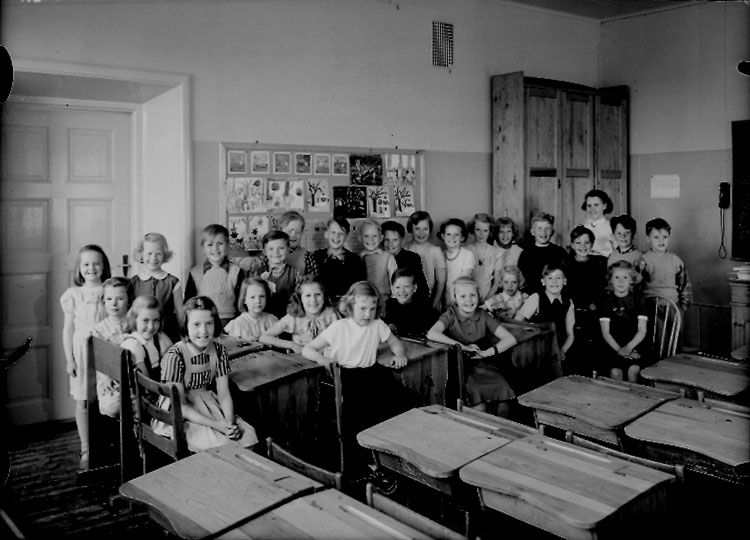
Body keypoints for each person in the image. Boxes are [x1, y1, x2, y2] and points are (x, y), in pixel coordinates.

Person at [302, 281, 419, 470]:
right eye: (362, 309)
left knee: (406, 400)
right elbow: (308, 349)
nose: (367, 314)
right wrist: (322, 360)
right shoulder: (339, 327)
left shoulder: (377, 324)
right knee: (359, 414)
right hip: (345, 375)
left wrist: (399, 354)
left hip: (371, 372)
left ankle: (398, 452)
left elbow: (394, 342)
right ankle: (369, 462)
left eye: (372, 309)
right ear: (350, 306)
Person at [154, 296, 257, 452]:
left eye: (209, 323)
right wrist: (217, 425)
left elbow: (224, 394)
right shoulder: (175, 355)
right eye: (196, 324)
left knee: (248, 436)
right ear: (186, 325)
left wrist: (229, 424)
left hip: (207, 402)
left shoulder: (219, 351)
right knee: (221, 444)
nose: (203, 331)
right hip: (180, 413)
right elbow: (180, 406)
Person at [427, 277, 518, 417]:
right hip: (460, 369)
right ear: (455, 298)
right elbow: (432, 333)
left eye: (472, 295)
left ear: (478, 296)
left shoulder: (483, 315)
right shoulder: (450, 314)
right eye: (463, 296)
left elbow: (510, 339)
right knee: (480, 407)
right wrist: (463, 347)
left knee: (504, 403)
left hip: (482, 366)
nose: (468, 300)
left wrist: (488, 352)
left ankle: (499, 430)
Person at [60, 244, 110, 471]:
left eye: (96, 263)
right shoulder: (74, 295)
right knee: (82, 400)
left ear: (104, 266)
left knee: (105, 398)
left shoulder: (108, 290)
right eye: (86, 264)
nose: (91, 268)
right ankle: (86, 448)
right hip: (81, 354)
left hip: (104, 351)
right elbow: (67, 330)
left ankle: (105, 444)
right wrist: (69, 359)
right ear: (79, 268)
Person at [260, 275, 339, 353]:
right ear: (299, 298)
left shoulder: (331, 315)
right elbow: (264, 337)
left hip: (326, 358)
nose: (313, 300)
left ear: (324, 296)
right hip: (301, 359)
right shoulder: (293, 318)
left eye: (318, 294)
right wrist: (292, 345)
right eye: (308, 295)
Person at [515, 263, 575, 366]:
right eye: (550, 278)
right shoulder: (536, 298)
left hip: (557, 347)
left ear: (564, 281)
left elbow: (570, 334)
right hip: (535, 346)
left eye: (558, 278)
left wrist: (562, 351)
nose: (554, 281)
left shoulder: (568, 302)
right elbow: (517, 322)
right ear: (543, 281)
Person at [184, 224, 244, 326]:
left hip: (230, 322)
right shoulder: (195, 273)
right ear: (203, 248)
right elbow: (189, 303)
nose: (215, 248)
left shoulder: (236, 271)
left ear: (228, 246)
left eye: (220, 243)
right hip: (204, 322)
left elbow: (241, 301)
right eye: (210, 244)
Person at [599, 261, 649, 382]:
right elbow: (606, 333)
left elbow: (642, 330)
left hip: (634, 344)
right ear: (610, 280)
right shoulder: (606, 301)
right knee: (616, 372)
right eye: (616, 277)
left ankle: (634, 394)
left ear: (631, 280)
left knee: (633, 370)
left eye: (625, 277)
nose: (621, 281)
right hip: (613, 346)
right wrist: (621, 351)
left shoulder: (638, 300)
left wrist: (629, 348)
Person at [565, 226, 608, 365]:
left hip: (594, 311)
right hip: (573, 311)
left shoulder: (600, 262)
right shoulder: (566, 264)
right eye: (578, 243)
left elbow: (603, 289)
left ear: (592, 244)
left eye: (587, 242)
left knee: (595, 348)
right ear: (572, 245)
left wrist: (595, 304)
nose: (582, 246)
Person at [130, 232, 183, 343]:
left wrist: (183, 338)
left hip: (168, 334)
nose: (153, 258)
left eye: (158, 253)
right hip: (141, 336)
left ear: (164, 255)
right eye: (149, 253)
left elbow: (180, 314)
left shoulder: (173, 282)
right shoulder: (133, 283)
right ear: (141, 254)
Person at [92, 277, 133, 418]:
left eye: (120, 299)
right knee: (115, 407)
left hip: (134, 377)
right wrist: (105, 377)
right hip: (110, 378)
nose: (114, 304)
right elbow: (99, 358)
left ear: (129, 300)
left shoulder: (134, 324)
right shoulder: (100, 329)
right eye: (109, 299)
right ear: (103, 301)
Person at [243, 230, 301, 318]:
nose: (276, 252)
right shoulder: (257, 273)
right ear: (264, 251)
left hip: (288, 318)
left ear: (289, 249)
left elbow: (300, 299)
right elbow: (249, 298)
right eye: (271, 249)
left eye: (281, 248)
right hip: (263, 319)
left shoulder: (296, 273)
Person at [312, 216, 366, 306]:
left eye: (341, 233)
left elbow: (360, 289)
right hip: (321, 306)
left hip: (347, 306)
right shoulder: (316, 257)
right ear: (326, 234)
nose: (336, 236)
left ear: (346, 236)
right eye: (333, 232)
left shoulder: (355, 260)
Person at [641, 218, 692, 312]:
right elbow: (635, 286)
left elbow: (685, 285)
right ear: (648, 238)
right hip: (649, 307)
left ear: (669, 237)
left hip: (672, 306)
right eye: (656, 237)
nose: (661, 241)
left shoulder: (676, 260)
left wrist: (683, 307)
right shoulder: (643, 261)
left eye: (665, 237)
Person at [121, 295, 174, 382]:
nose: (151, 327)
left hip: (160, 381)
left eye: (156, 320)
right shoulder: (133, 344)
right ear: (134, 320)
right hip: (144, 387)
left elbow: (172, 361)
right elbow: (145, 380)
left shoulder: (159, 337)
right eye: (145, 320)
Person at [405, 211, 446, 311]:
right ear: (411, 229)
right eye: (417, 229)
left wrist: (435, 302)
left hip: (430, 299)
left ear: (430, 229)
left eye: (425, 229)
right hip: (407, 298)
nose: (421, 233)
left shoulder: (436, 251)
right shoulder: (404, 249)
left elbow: (441, 281)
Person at [517, 212, 567, 295]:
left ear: (552, 232)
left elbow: (565, 277)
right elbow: (522, 279)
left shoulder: (560, 252)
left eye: (547, 228)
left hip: (555, 294)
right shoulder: (526, 254)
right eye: (539, 228)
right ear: (532, 231)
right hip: (532, 295)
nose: (543, 232)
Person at [381, 220, 429, 304]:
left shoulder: (412, 258)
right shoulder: (378, 258)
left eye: (395, 240)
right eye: (386, 240)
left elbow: (422, 288)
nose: (390, 244)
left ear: (402, 240)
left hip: (410, 304)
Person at [383, 268, 439, 338]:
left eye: (406, 287)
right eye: (397, 287)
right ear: (392, 288)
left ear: (414, 288)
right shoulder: (389, 305)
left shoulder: (422, 308)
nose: (402, 291)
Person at [358, 219, 397, 312]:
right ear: (360, 238)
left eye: (374, 236)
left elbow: (395, 280)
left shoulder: (388, 257)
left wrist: (394, 300)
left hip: (384, 300)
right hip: (363, 301)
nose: (371, 239)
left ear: (381, 237)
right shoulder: (358, 258)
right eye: (366, 236)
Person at [224, 277, 279, 341]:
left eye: (262, 296)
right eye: (252, 297)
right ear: (244, 299)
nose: (258, 301)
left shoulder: (272, 320)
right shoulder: (239, 324)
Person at [439, 218, 476, 307]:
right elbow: (440, 281)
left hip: (462, 298)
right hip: (445, 298)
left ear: (462, 237)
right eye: (448, 234)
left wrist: (453, 297)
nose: (452, 237)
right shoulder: (441, 255)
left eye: (456, 234)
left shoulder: (468, 254)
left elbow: (464, 279)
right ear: (443, 236)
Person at [467, 213, 500, 301]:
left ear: (490, 231)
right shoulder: (466, 250)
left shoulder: (495, 252)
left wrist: (486, 300)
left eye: (485, 230)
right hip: (467, 296)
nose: (481, 234)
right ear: (473, 229)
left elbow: (496, 282)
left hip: (487, 296)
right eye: (478, 229)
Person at [607, 214, 646, 286]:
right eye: (619, 233)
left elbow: (641, 281)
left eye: (627, 232)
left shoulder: (639, 257)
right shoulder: (611, 256)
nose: (623, 236)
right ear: (613, 235)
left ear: (634, 234)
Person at [278, 210, 318, 276]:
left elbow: (314, 279)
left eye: (298, 231)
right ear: (280, 231)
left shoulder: (307, 256)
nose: (293, 235)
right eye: (290, 231)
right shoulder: (271, 253)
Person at [581, 188, 615, 257]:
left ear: (604, 206)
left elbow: (618, 251)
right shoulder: (581, 227)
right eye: (589, 205)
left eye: (596, 205)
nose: (592, 209)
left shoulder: (611, 227)